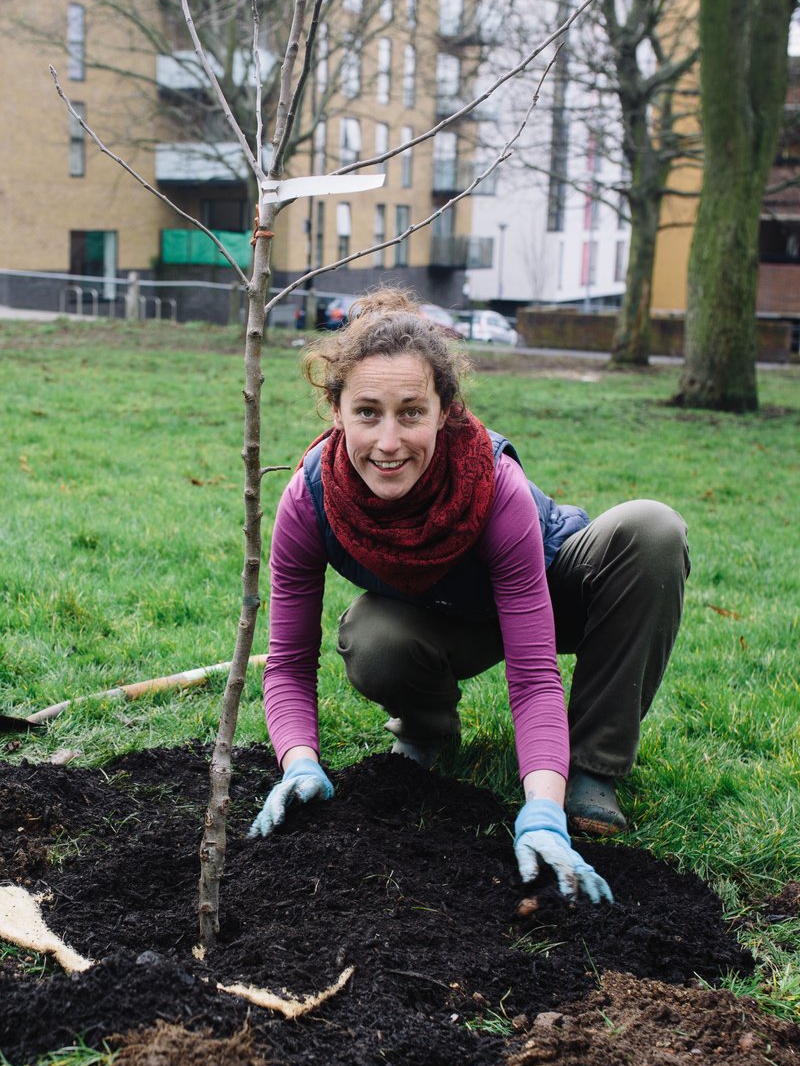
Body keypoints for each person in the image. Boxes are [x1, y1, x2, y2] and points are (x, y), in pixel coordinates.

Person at [249, 290, 689, 904]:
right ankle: (426, 728)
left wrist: (541, 812)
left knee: (653, 530)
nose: (389, 441)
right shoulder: (310, 500)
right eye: (368, 413)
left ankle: (592, 767)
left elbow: (534, 677)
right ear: (337, 411)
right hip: (447, 616)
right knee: (373, 636)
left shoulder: (490, 485)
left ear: (444, 410)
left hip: (553, 587)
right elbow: (289, 663)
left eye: (411, 412)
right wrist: (298, 761)